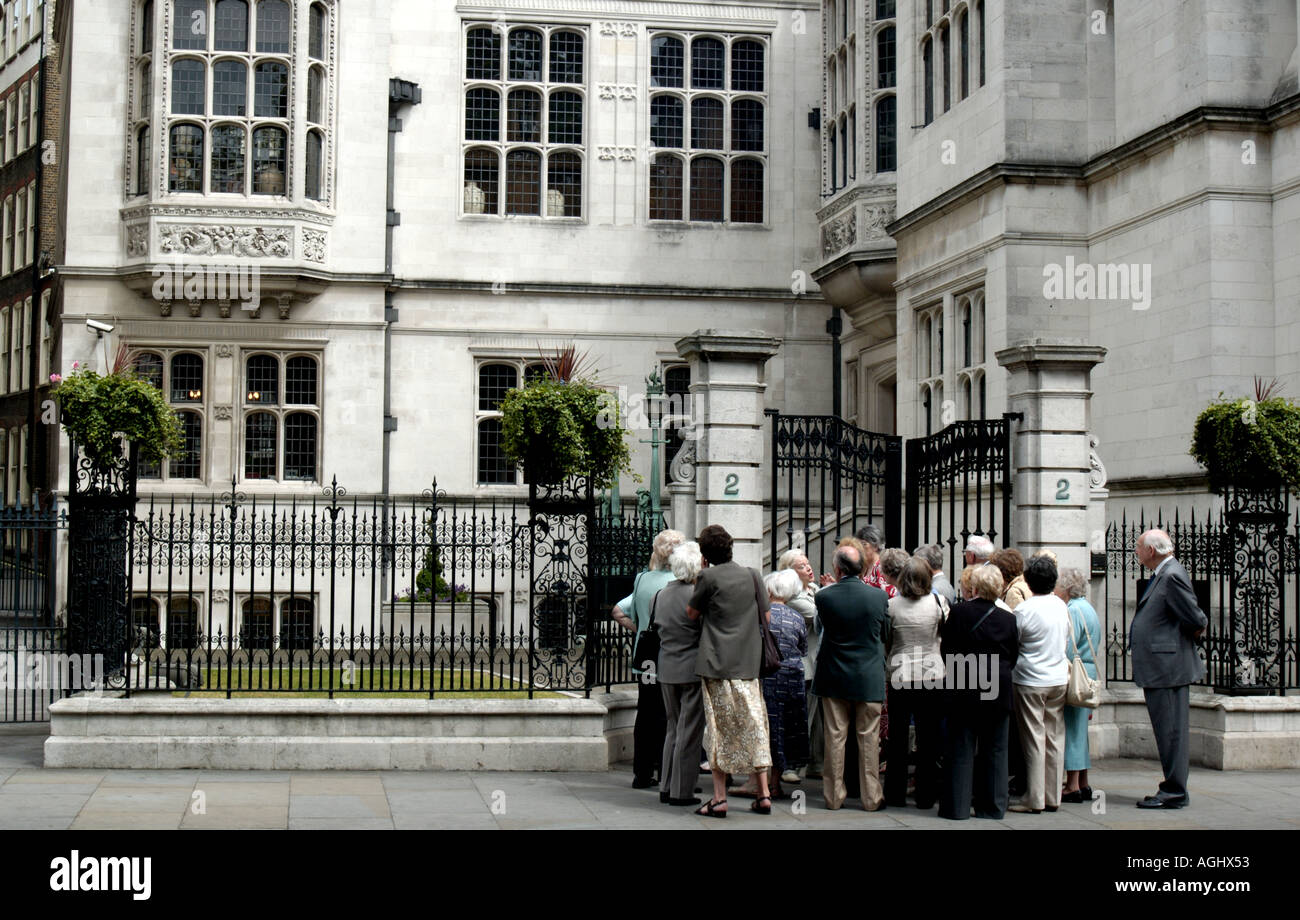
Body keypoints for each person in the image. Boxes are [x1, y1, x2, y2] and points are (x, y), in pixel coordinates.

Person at [686, 525, 773, 818]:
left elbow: (691, 613)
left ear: (705, 554)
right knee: (755, 725)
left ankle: (720, 798)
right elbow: (767, 616)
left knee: (719, 728)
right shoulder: (752, 574)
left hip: (716, 662)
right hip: (748, 662)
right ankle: (763, 794)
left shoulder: (707, 576)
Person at [1131, 529, 1207, 809]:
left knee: (1172, 731)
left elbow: (1195, 616)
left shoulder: (1172, 574)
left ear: (1151, 550)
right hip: (1162, 667)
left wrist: (1190, 635)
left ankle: (1175, 790)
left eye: (1139, 547)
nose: (1136, 552)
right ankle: (1172, 786)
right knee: (1167, 730)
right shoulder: (1164, 572)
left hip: (1168, 667)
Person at [812, 543, 889, 811]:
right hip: (868, 675)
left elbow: (820, 629)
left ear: (838, 568)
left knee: (835, 737)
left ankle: (833, 796)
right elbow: (884, 634)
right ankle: (871, 797)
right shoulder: (879, 597)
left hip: (833, 675)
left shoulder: (823, 597)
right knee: (869, 739)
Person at [938, 564, 1018, 820]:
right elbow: (1013, 655)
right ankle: (993, 806)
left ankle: (957, 807)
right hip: (998, 687)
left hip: (964, 686)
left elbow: (947, 650)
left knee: (961, 747)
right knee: (996, 750)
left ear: (974, 587)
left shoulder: (959, 612)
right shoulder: (1008, 618)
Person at [612, 528, 686, 788]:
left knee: (645, 712)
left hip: (645, 656)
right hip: (673, 654)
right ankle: (669, 771)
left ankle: (642, 772)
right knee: (673, 714)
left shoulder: (642, 578)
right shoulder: (681, 581)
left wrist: (641, 628)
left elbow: (618, 611)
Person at [883, 555, 948, 809]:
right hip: (931, 673)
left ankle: (895, 794)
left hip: (900, 673)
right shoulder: (937, 602)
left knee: (898, 738)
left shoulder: (891, 605)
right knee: (928, 737)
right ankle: (926, 794)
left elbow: (887, 641)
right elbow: (943, 633)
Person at [1009, 555, 1070, 814]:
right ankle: (1052, 795)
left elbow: (1015, 642)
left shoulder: (1024, 610)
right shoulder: (1061, 605)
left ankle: (1034, 799)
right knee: (1055, 737)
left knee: (1034, 739)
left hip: (1031, 679)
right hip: (1058, 678)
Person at [656, 541, 706, 806]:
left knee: (673, 729)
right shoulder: (696, 594)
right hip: (691, 669)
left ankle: (666, 785)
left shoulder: (662, 593)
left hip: (666, 667)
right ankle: (681, 790)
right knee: (689, 732)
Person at [756, 569, 809, 800]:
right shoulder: (796, 617)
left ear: (768, 591)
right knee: (786, 728)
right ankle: (776, 782)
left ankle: (763, 785)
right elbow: (803, 648)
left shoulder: (762, 616)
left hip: (769, 677)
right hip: (792, 678)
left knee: (767, 728)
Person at [1056, 566, 1100, 804]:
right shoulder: (1089, 608)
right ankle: (1082, 782)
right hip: (1088, 672)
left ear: (1068, 588)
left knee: (1072, 729)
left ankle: (1072, 785)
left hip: (1076, 674)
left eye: (1060, 585)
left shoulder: (1073, 610)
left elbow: (1069, 647)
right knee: (1080, 730)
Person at [777, 549, 820, 783]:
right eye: (802, 566)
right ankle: (790, 766)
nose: (809, 568)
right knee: (798, 719)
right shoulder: (794, 599)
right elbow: (820, 615)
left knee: (813, 720)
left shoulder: (812, 591)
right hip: (802, 665)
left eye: (808, 563)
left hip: (814, 663)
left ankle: (812, 762)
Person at [857, 526, 898, 598]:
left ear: (875, 546)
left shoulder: (881, 567)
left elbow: (889, 595)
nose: (859, 548)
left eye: (863, 544)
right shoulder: (864, 567)